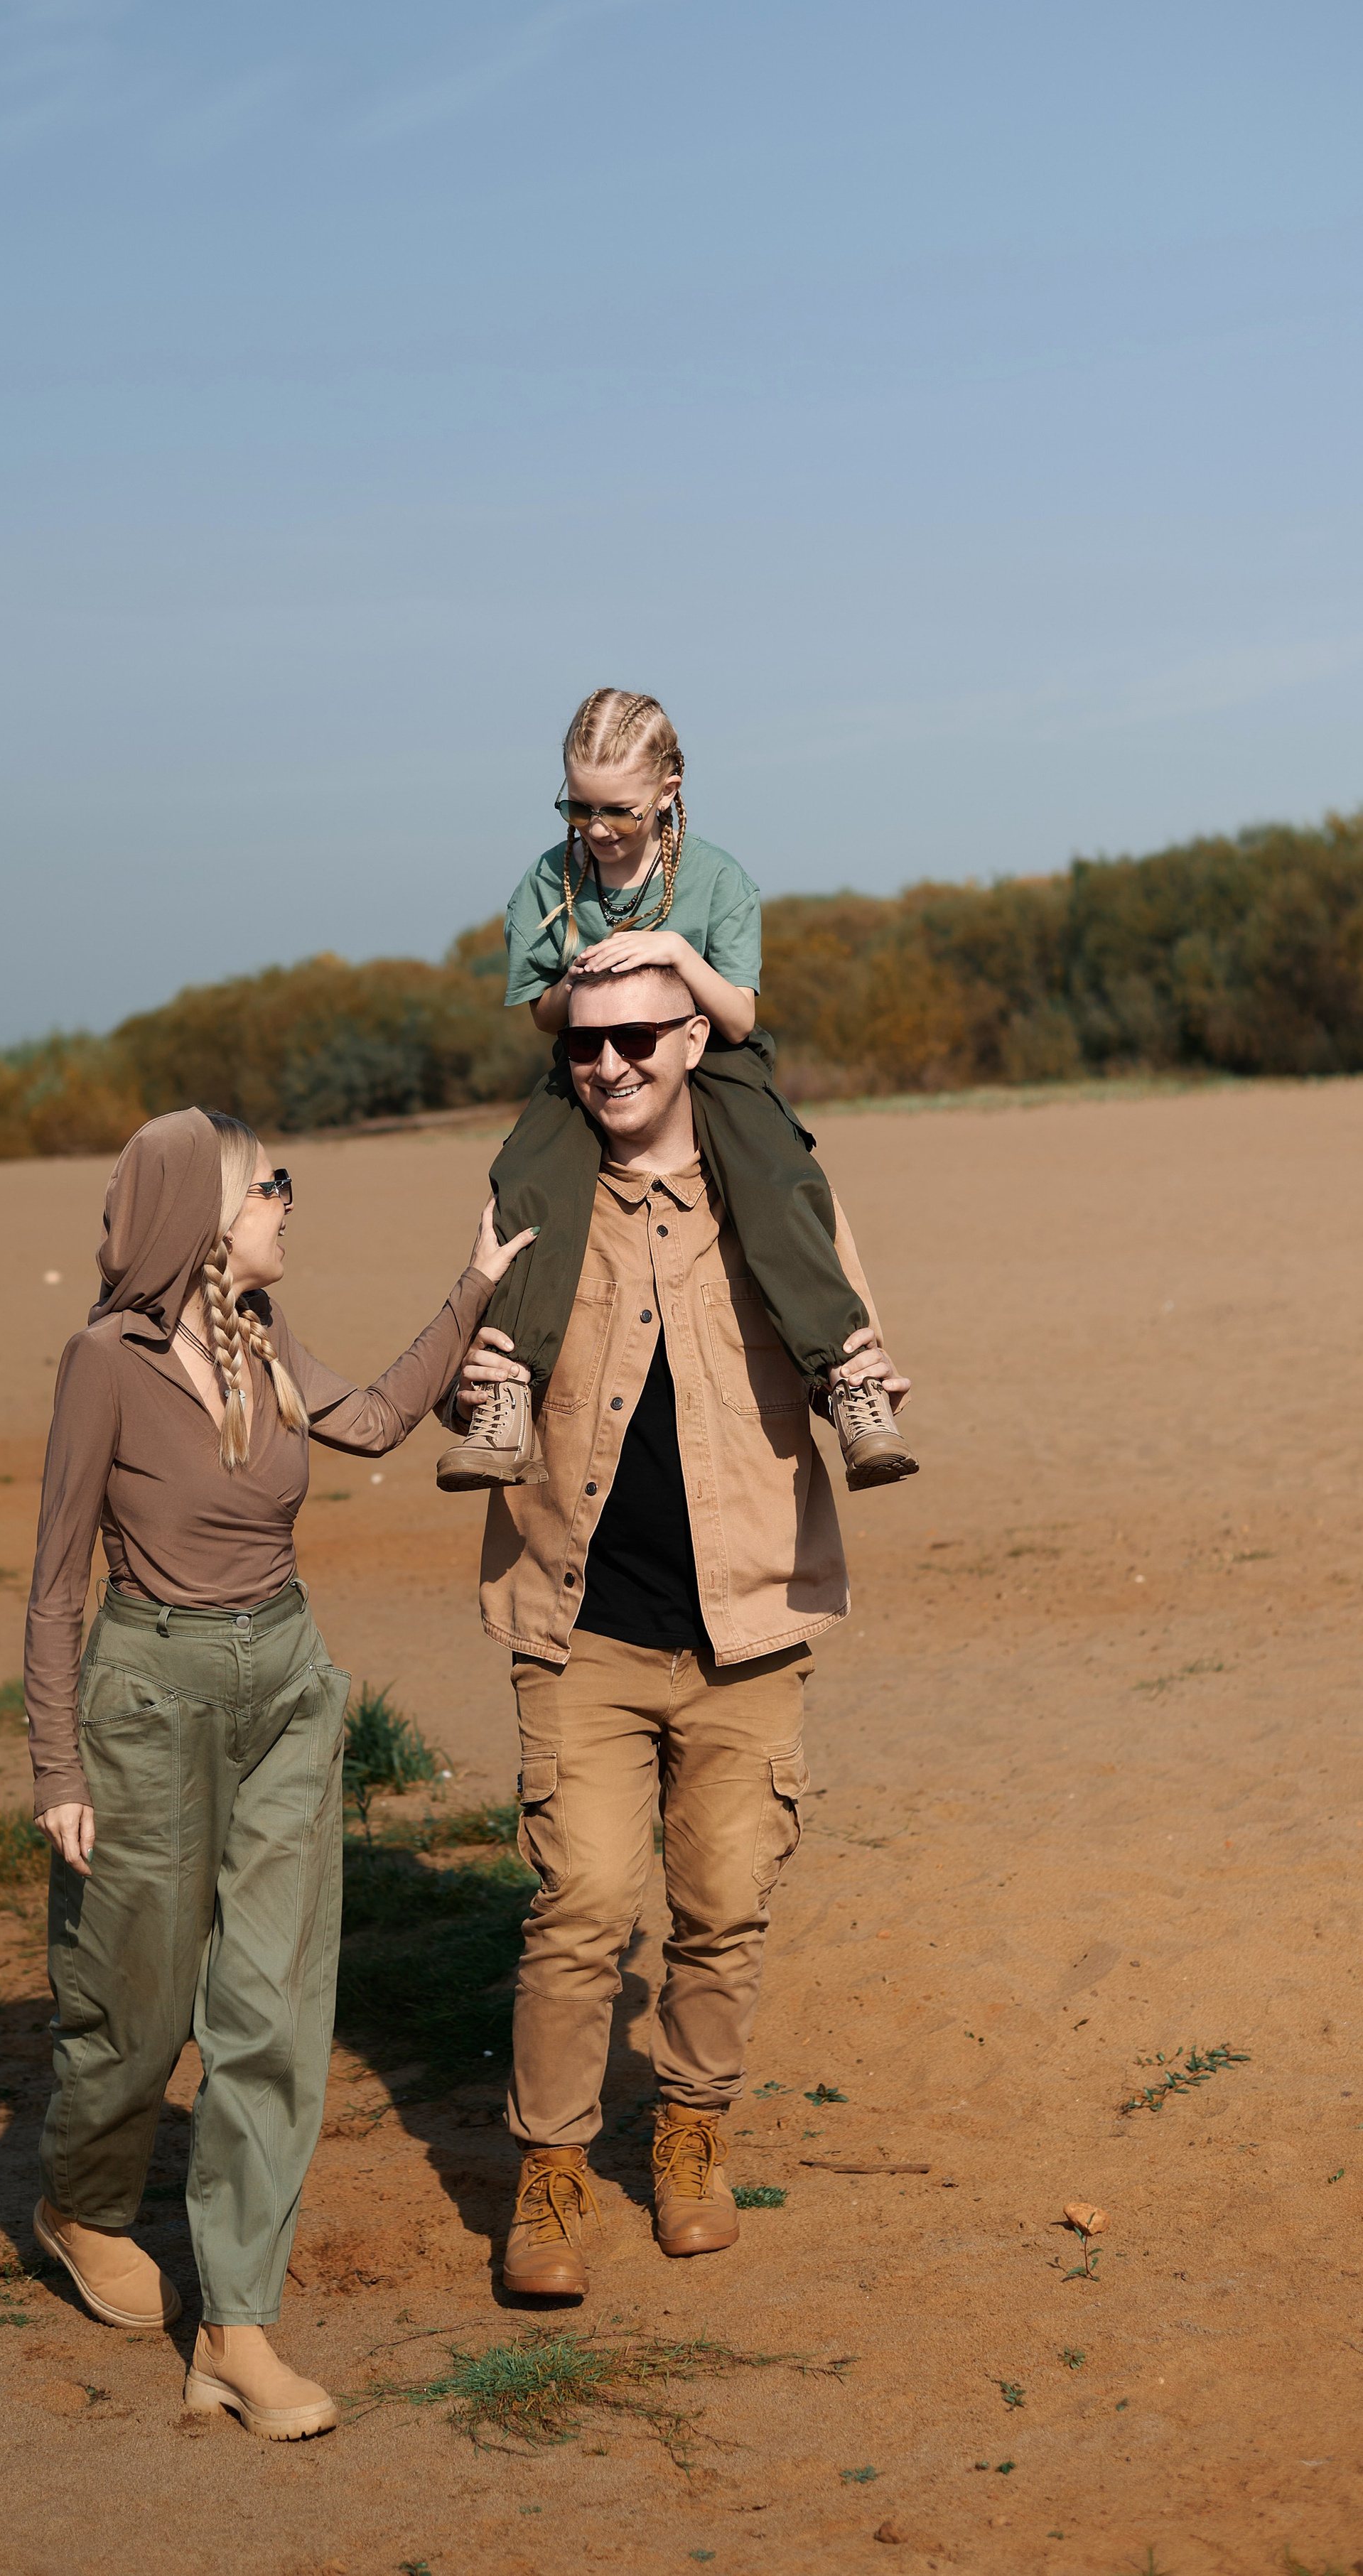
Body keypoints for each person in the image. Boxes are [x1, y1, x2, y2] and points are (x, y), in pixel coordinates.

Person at [24, 1107, 531, 2432]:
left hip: (288, 1688)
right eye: (270, 1185)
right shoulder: (106, 1360)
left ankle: (236, 2330)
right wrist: (54, 1767)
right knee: (131, 2010)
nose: (288, 1201)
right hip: (148, 1698)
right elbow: (55, 1585)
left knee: (273, 2006)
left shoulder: (257, 1336)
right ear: (205, 1214)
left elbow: (367, 1419)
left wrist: (474, 1284)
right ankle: (80, 2202)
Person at [444, 962, 909, 2298]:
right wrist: (463, 1377)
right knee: (583, 1900)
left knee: (723, 1903)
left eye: (639, 1037)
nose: (611, 1066)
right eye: (587, 1045)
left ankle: (693, 2133)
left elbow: (859, 1353)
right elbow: (459, 1375)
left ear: (693, 1035)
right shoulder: (532, 1194)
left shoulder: (780, 1197)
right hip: (578, 1617)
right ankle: (550, 2169)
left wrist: (870, 1382)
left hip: (745, 1622)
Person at [437, 686, 914, 1496]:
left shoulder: (719, 880)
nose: (596, 830)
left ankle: (848, 1378)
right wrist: (585, 981)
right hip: (588, 1048)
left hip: (710, 1047)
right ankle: (507, 1395)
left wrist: (670, 956)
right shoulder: (547, 881)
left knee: (775, 1175)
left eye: (618, 811)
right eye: (576, 808)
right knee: (523, 1177)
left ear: (668, 792)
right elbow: (542, 1015)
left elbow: (736, 1014)